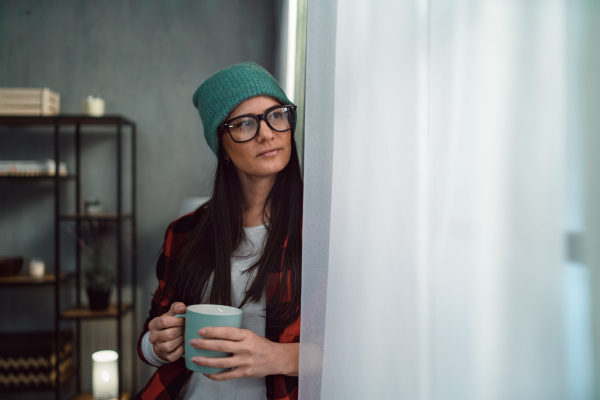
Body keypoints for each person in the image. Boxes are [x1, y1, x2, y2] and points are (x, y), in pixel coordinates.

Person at [135, 62, 303, 400]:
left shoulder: (319, 233)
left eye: (276, 114)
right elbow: (151, 336)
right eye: (244, 124)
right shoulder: (186, 231)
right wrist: (157, 344)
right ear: (222, 146)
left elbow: (358, 351)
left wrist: (277, 356)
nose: (267, 133)